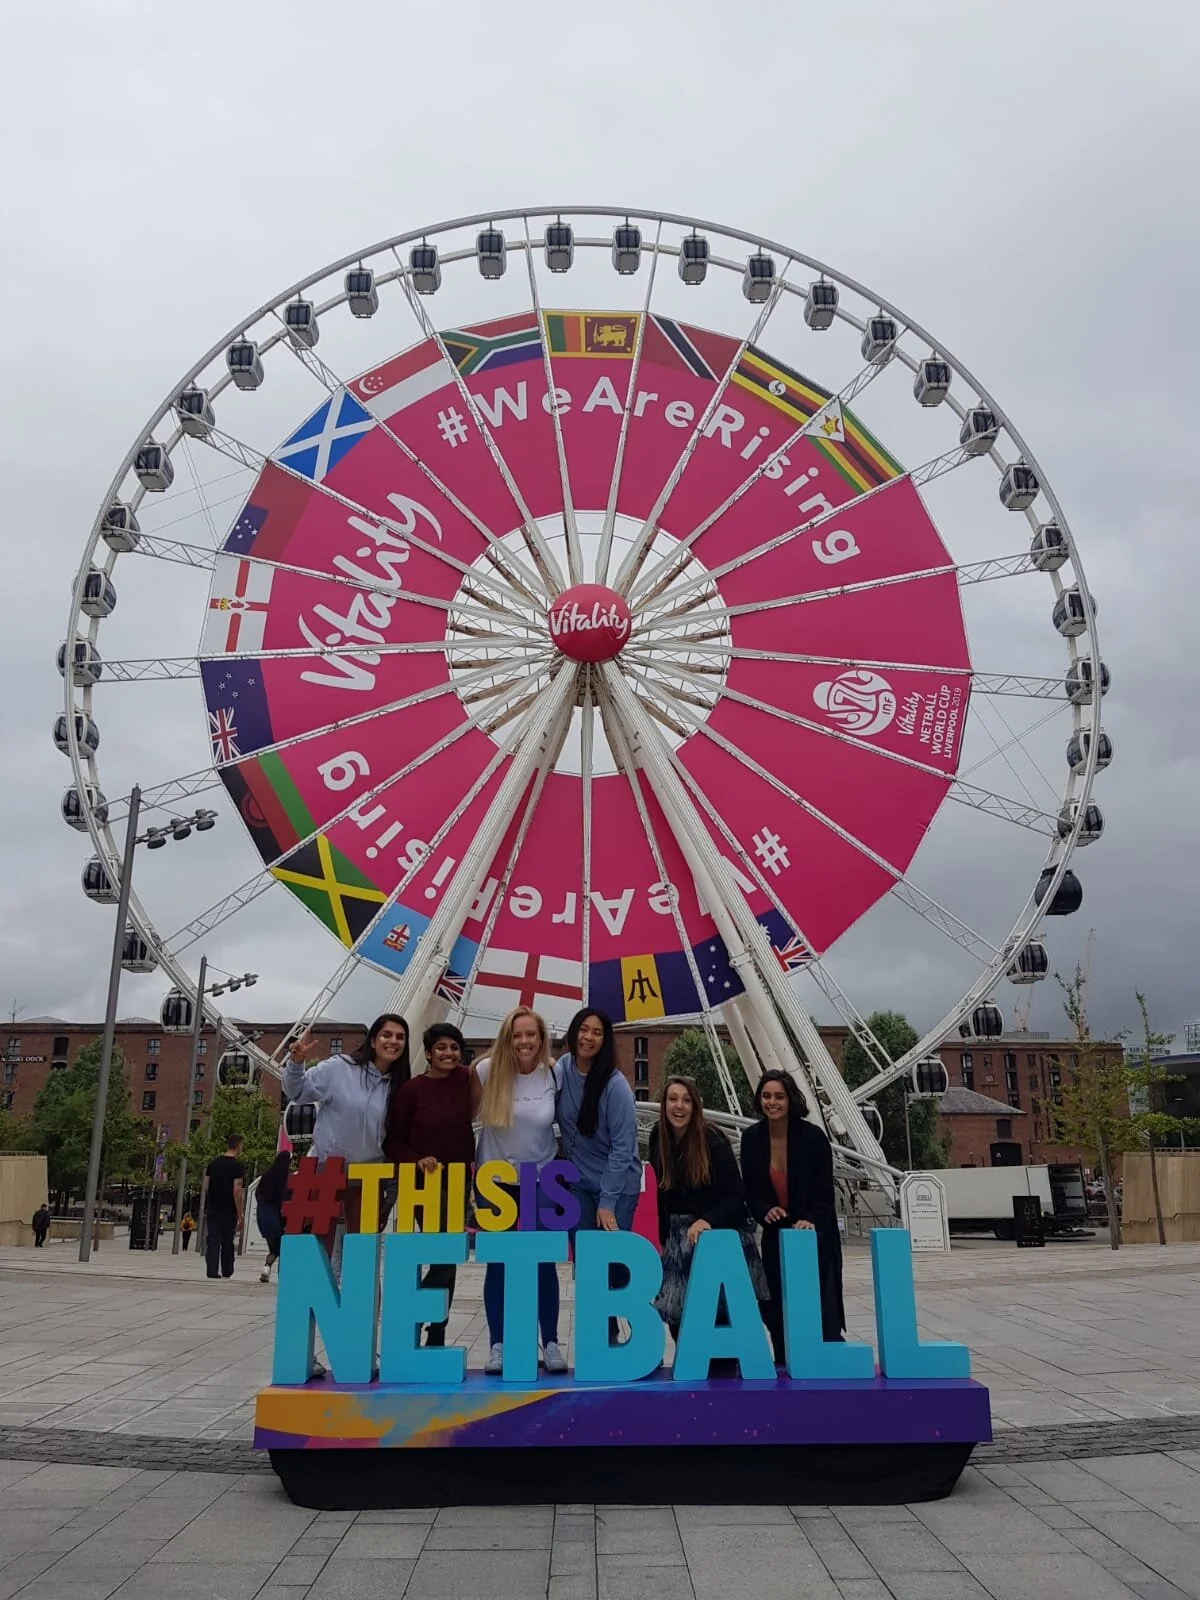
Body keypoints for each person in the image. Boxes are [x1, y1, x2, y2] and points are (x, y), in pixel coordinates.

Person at [473, 1007, 566, 1376]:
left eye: (531, 1034)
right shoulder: (484, 1071)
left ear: (541, 1039)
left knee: (543, 1262)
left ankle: (552, 1341)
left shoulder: (554, 1074)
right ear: (507, 1039)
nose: (524, 1042)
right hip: (494, 1181)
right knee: (499, 1264)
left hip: (540, 1179)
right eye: (517, 1035)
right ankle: (498, 1344)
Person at [647, 1076, 767, 1346]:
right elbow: (661, 1194)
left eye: (686, 1100)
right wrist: (664, 1238)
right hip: (679, 1237)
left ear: (696, 1106)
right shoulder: (659, 1138)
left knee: (721, 1315)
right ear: (664, 1104)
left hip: (716, 1235)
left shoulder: (712, 1139)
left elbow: (735, 1193)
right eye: (673, 1099)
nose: (679, 1106)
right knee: (679, 1319)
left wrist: (706, 1220)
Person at [282, 1014, 411, 1254]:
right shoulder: (340, 1067)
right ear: (372, 1041)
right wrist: (296, 1063)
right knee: (317, 1246)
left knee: (363, 1251)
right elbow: (297, 1092)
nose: (393, 1041)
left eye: (400, 1037)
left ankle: (363, 1292)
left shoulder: (401, 1086)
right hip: (324, 1169)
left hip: (369, 1176)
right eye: (386, 1035)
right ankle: (313, 1291)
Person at [740, 1070, 845, 1362]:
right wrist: (764, 1210)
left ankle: (827, 1364)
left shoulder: (813, 1138)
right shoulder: (751, 1139)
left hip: (814, 1237)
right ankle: (784, 1361)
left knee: (821, 1308)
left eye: (779, 1096)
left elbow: (824, 1192)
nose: (772, 1102)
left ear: (791, 1100)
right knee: (777, 1307)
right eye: (766, 1096)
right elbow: (750, 1190)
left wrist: (810, 1218)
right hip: (777, 1235)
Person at [555, 1007, 642, 1346]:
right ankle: (603, 1333)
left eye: (597, 1032)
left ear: (605, 1041)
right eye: (584, 1029)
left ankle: (629, 1318)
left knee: (614, 1265)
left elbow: (624, 1147)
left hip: (616, 1185)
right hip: (578, 1183)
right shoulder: (560, 1069)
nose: (589, 1037)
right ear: (574, 1032)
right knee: (589, 1262)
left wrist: (607, 1201)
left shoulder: (615, 1086)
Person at [384, 1022, 475, 1347]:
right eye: (441, 1048)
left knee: (447, 1255)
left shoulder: (466, 1080)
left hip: (459, 1178)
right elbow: (392, 1141)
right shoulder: (411, 1091)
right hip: (424, 1182)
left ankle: (434, 1328)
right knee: (442, 1252)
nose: (448, 1053)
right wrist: (417, 1159)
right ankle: (422, 1320)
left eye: (454, 1047)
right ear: (428, 1053)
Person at [202, 1134, 245, 1280]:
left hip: (213, 1207)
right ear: (238, 1146)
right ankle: (227, 1269)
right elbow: (237, 1190)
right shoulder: (237, 1166)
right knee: (227, 1240)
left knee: (213, 1239)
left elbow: (205, 1186)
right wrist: (240, 1214)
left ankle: (212, 1270)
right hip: (229, 1209)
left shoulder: (213, 1164)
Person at [255, 1151, 292, 1283]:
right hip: (278, 1219)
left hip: (263, 1218)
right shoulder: (285, 1179)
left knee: (273, 1249)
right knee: (284, 1250)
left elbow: (257, 1194)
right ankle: (284, 1276)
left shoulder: (266, 1176)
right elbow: (286, 1199)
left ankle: (266, 1267)